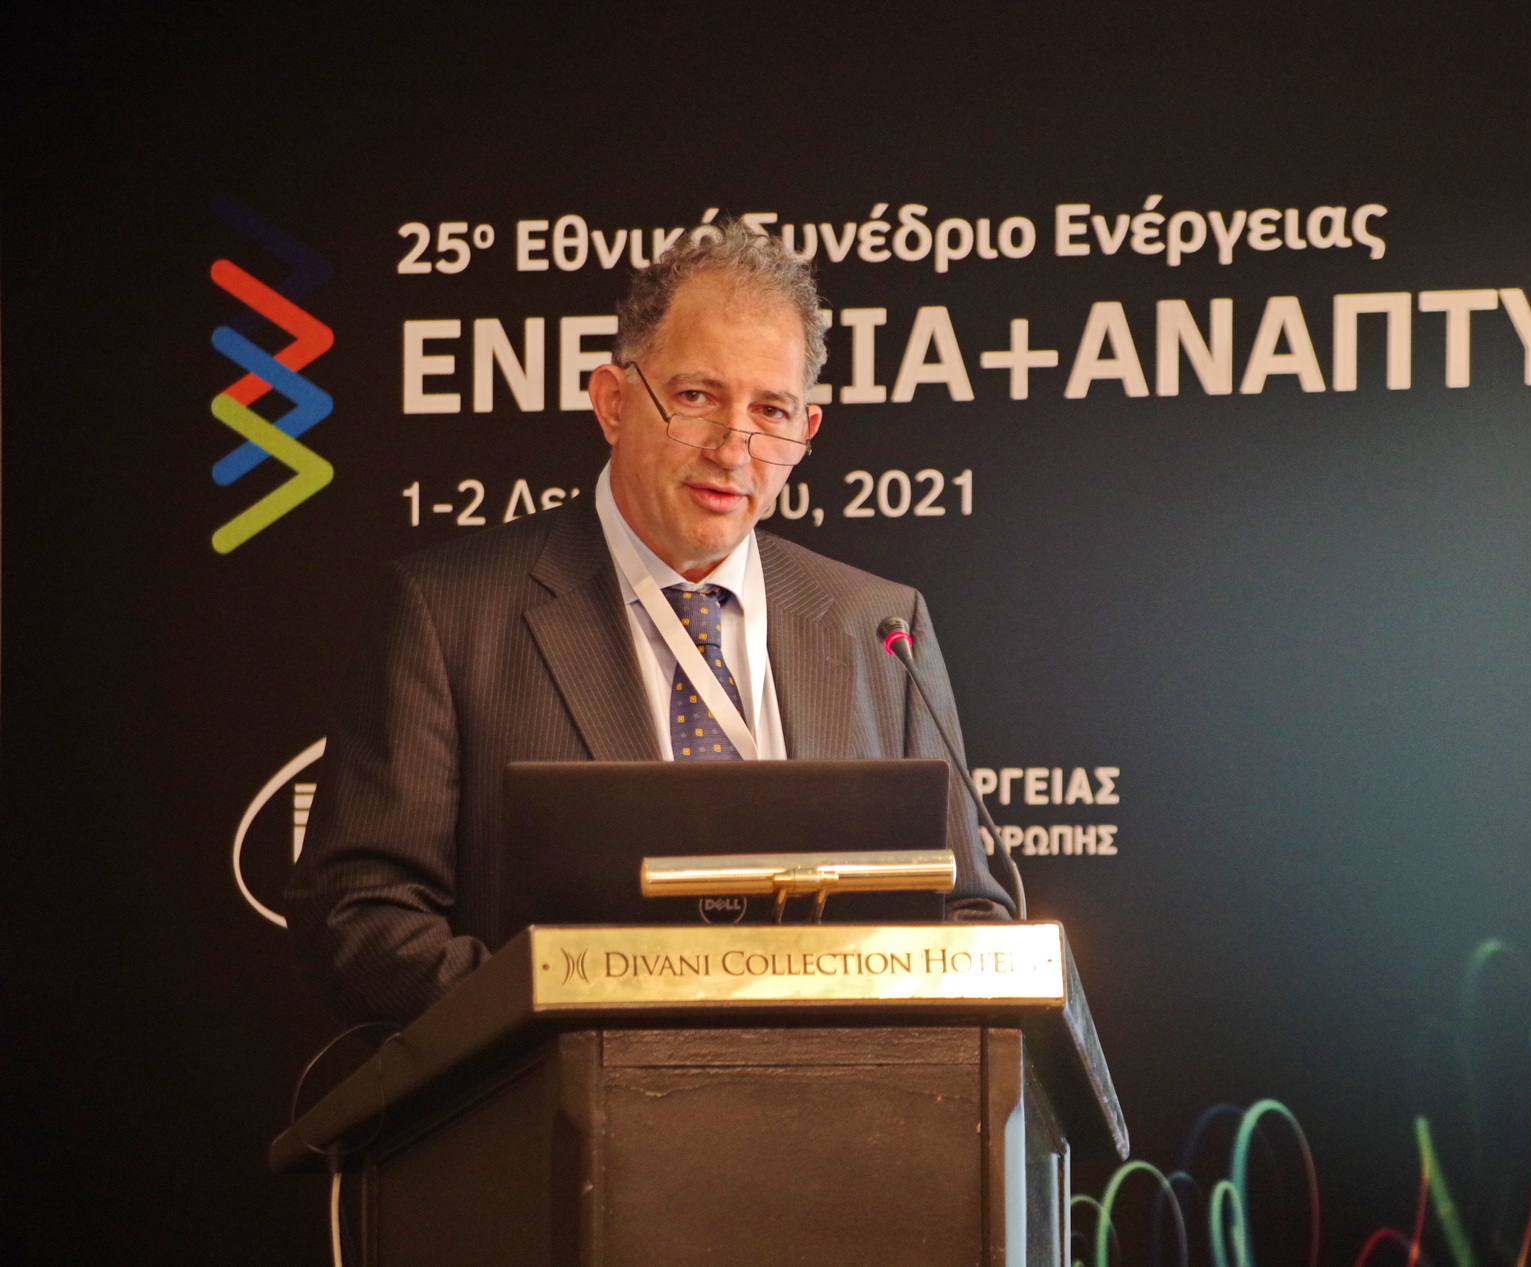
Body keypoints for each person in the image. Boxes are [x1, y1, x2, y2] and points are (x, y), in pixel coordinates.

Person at [286, 223, 1011, 1026]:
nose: (732, 449)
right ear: (612, 402)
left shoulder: (877, 626)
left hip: (841, 1094)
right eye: (697, 398)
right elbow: (363, 910)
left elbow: (966, 912)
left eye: (770, 410)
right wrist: (556, 1020)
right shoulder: (449, 613)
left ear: (805, 432)